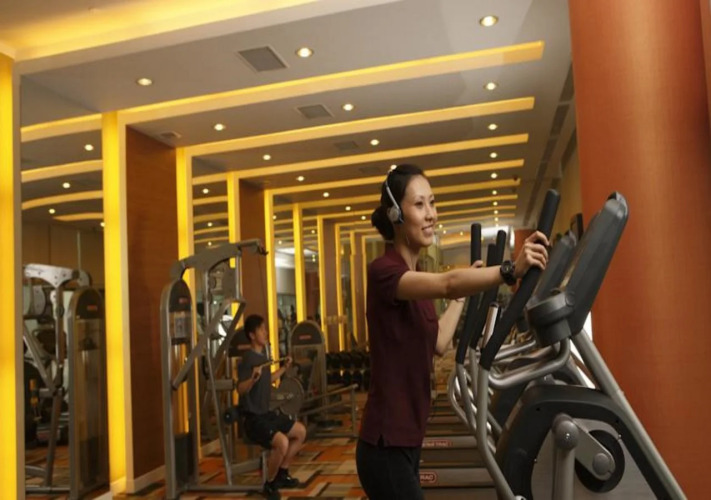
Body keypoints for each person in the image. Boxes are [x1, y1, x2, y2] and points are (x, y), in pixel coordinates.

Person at [355, 164, 549, 500]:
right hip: (385, 443)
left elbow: (440, 342)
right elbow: (447, 283)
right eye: (419, 205)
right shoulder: (384, 271)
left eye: (432, 203)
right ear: (396, 214)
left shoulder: (416, 277)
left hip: (407, 438)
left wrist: (463, 294)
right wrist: (509, 270)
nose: (431, 214)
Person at [237, 314, 307, 500]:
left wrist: (284, 368)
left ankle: (282, 473)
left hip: (266, 414)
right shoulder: (247, 359)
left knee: (300, 431)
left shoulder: (264, 357)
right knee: (282, 442)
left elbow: (268, 380)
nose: (265, 332)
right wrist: (252, 379)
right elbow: (240, 389)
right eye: (262, 329)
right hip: (253, 419)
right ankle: (269, 484)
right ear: (252, 335)